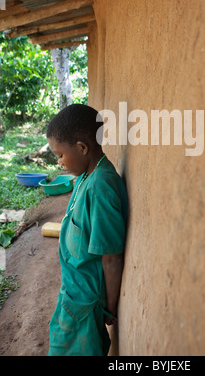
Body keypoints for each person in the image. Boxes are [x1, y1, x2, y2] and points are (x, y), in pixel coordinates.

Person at [46, 104, 128, 356]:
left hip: (85, 306)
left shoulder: (101, 187)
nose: (59, 162)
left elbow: (112, 258)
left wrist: (110, 307)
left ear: (82, 148)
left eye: (60, 155)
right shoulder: (84, 177)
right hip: (72, 293)